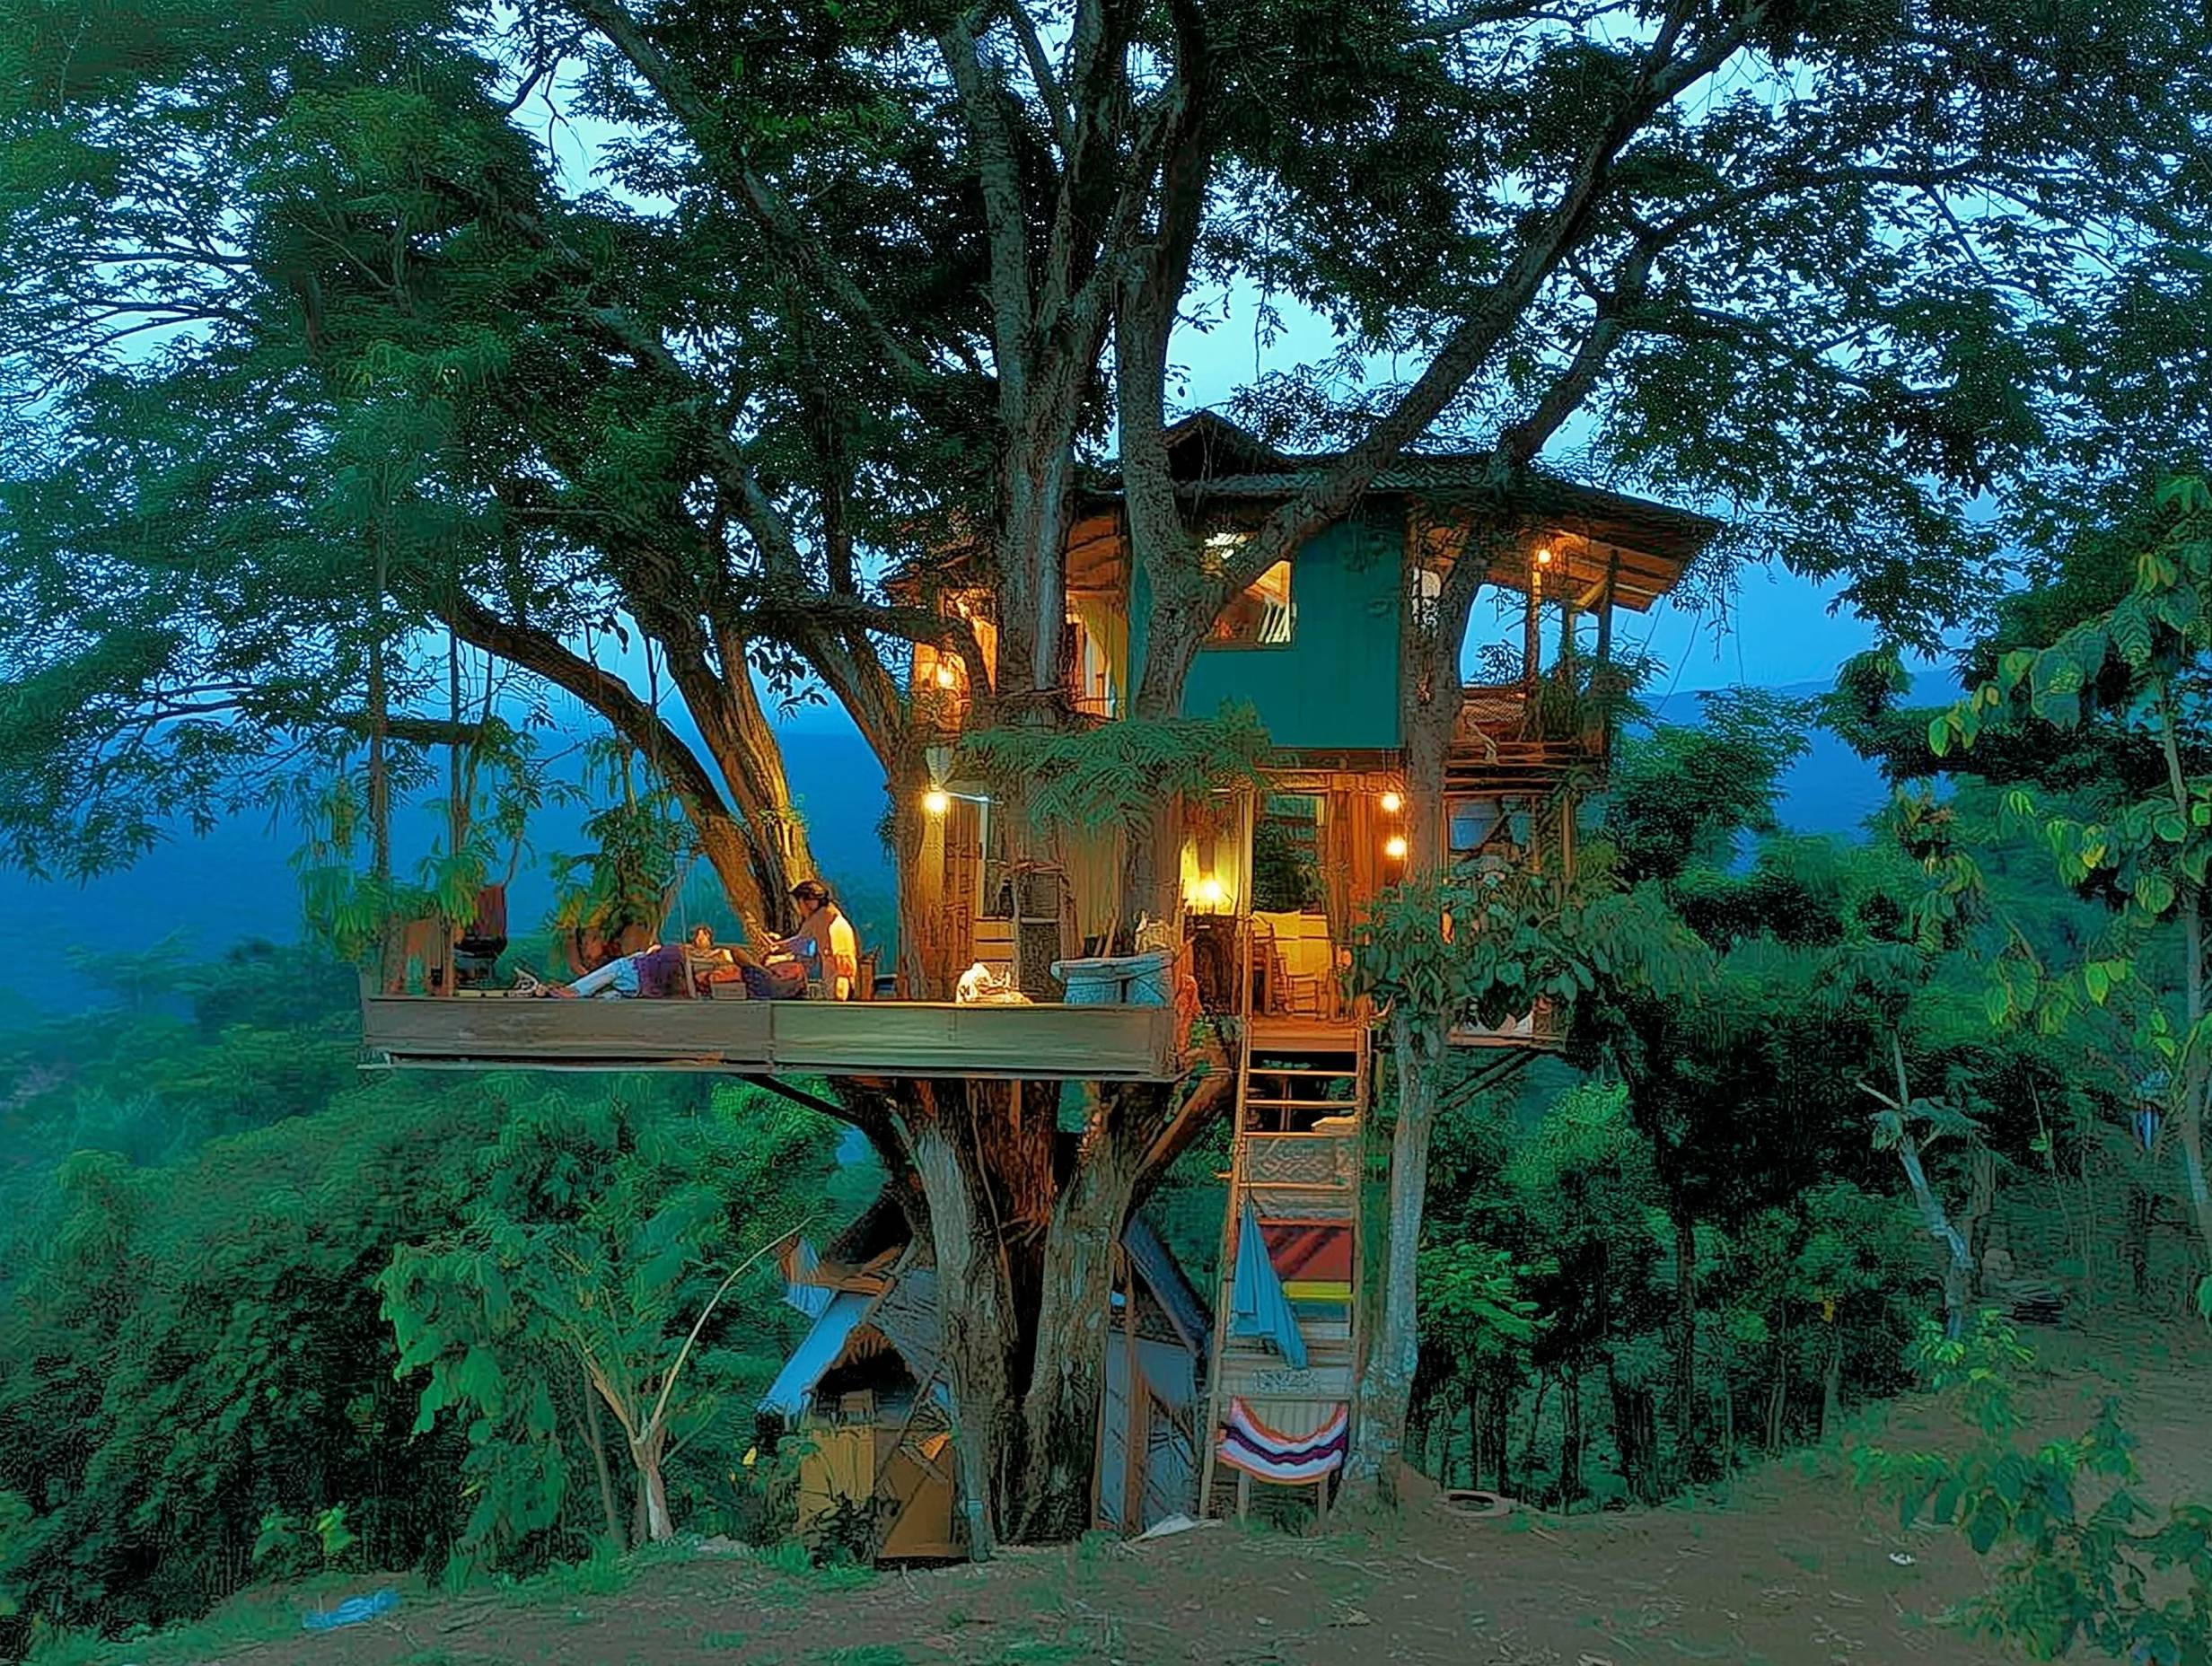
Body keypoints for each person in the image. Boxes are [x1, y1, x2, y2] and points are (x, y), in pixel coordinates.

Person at [764, 880, 859, 1000]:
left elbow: (798, 943)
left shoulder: (821, 917)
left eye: (799, 903)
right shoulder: (831, 915)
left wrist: (775, 947)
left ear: (806, 901)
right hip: (843, 975)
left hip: (838, 978)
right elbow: (807, 945)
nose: (799, 908)